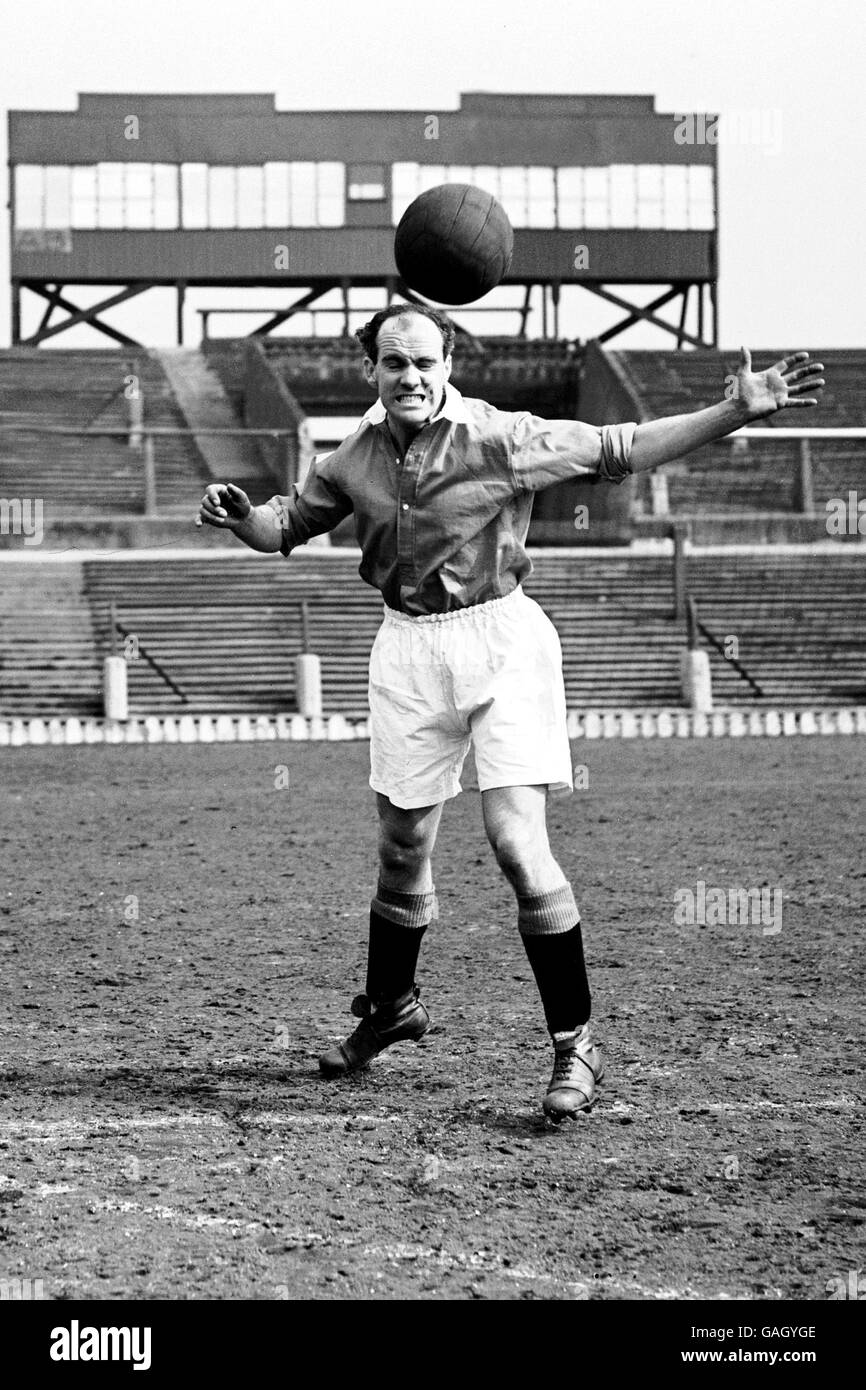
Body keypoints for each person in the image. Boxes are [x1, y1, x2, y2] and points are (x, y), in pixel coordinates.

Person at [198, 304, 823, 1122]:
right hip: (407, 648)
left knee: (515, 842)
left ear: (448, 362)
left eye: (424, 362)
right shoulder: (351, 457)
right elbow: (282, 528)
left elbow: (617, 449)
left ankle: (576, 1046)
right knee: (402, 848)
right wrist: (238, 512)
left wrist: (735, 410)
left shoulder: (501, 436)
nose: (411, 377)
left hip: (501, 643)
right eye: (394, 364)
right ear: (372, 372)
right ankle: (391, 1008)